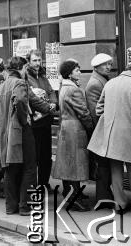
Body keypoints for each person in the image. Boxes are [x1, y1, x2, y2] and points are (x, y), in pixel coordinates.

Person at [87, 62, 131, 212]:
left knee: (116, 169)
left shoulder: (110, 83)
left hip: (112, 134)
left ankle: (119, 204)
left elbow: (99, 108)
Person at [0, 57, 36, 216]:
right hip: (20, 132)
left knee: (11, 169)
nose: (26, 71)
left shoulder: (2, 86)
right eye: (26, 68)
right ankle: (25, 207)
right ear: (21, 68)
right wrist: (24, 120)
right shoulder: (19, 83)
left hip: (5, 133)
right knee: (29, 168)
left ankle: (11, 206)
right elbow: (21, 101)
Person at [51, 60, 93, 211]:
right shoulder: (73, 89)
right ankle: (73, 197)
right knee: (73, 163)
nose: (79, 73)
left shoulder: (65, 87)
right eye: (77, 70)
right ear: (69, 73)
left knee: (68, 161)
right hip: (74, 128)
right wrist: (91, 127)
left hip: (67, 127)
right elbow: (83, 111)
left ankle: (72, 193)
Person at [22, 49, 57, 191]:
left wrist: (53, 103)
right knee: (34, 155)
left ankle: (44, 182)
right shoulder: (25, 76)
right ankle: (34, 183)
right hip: (34, 121)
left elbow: (50, 91)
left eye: (39, 60)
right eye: (34, 60)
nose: (37, 63)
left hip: (46, 120)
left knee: (46, 155)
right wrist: (47, 107)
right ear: (29, 61)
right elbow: (31, 98)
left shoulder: (42, 75)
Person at [85, 53, 113, 202]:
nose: (109, 67)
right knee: (103, 166)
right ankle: (103, 196)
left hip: (103, 128)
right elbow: (95, 112)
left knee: (105, 165)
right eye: (105, 64)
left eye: (110, 64)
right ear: (96, 67)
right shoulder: (95, 83)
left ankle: (105, 195)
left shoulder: (102, 80)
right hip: (100, 130)